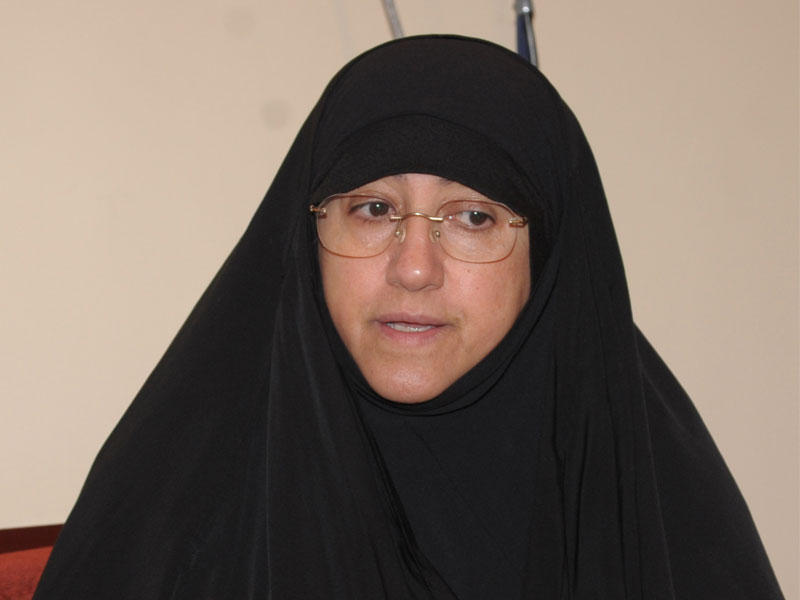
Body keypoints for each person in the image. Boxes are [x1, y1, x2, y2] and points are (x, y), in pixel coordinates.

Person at [34, 35, 784, 599]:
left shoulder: (653, 504)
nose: (415, 267)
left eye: (473, 217)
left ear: (549, 256)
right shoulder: (174, 515)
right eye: (372, 209)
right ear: (308, 237)